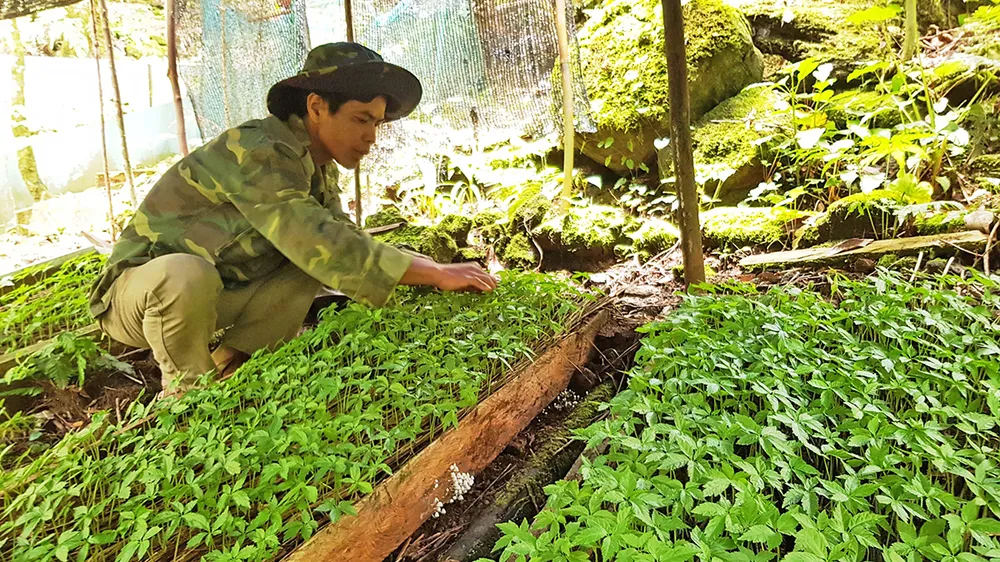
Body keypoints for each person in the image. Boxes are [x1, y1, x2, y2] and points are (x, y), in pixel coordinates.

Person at [88, 42, 497, 395]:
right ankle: (187, 397)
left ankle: (229, 361)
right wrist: (436, 272)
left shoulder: (317, 165)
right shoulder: (258, 149)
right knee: (186, 273)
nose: (372, 135)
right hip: (138, 298)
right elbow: (317, 238)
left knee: (309, 267)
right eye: (361, 119)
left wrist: (427, 270)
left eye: (377, 123)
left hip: (219, 290)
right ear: (316, 107)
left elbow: (341, 239)